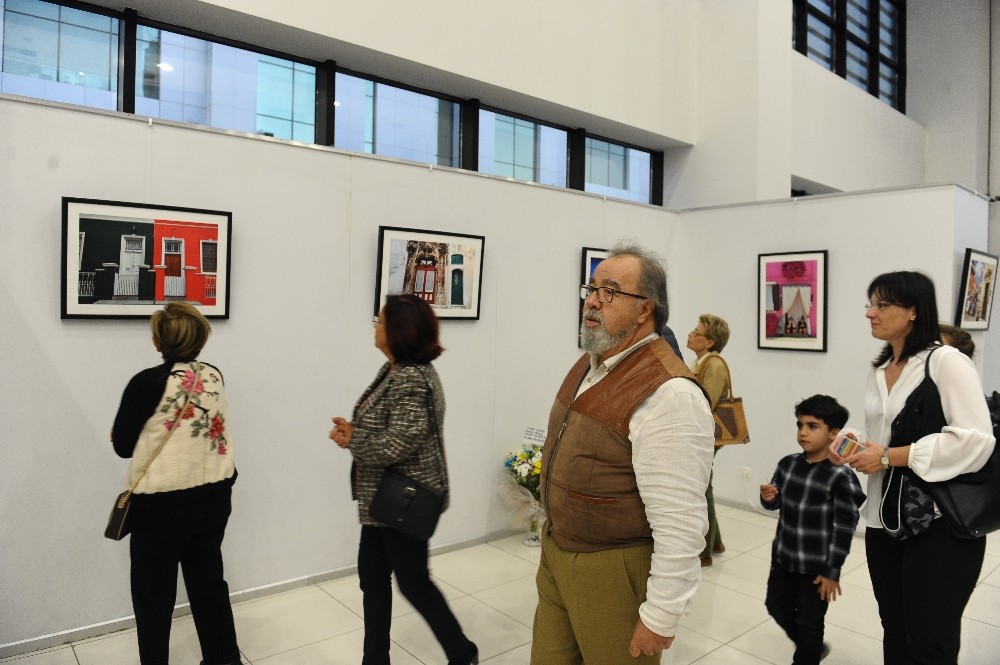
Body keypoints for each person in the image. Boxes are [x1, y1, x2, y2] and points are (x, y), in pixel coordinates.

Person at [532, 243, 715, 664]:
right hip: (558, 553)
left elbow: (682, 521)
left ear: (644, 309)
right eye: (592, 288)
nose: (593, 299)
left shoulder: (671, 393)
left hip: (614, 569)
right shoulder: (590, 363)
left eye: (610, 291)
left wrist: (662, 615)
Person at [829, 271, 995, 665]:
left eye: (882, 304)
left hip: (939, 525)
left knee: (929, 640)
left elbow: (975, 439)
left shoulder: (947, 362)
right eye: (870, 303)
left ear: (913, 312)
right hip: (884, 519)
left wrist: (889, 457)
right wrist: (852, 442)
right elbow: (881, 433)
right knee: (896, 628)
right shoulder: (881, 367)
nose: (870, 313)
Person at [329, 294, 478, 665]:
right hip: (382, 499)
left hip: (405, 500)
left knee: (414, 583)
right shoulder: (394, 369)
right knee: (373, 581)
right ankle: (375, 658)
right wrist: (355, 430)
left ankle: (462, 653)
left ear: (398, 331)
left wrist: (354, 438)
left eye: (380, 321)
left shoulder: (412, 378)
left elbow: (399, 443)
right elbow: (390, 428)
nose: (376, 327)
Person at [110, 302, 240, 665]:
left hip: (161, 507)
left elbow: (123, 446)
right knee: (209, 586)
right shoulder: (213, 375)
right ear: (201, 336)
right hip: (213, 498)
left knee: (154, 599)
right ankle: (225, 660)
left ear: (158, 341)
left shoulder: (146, 382)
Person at [760, 395, 865, 665]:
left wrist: (832, 570)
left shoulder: (841, 476)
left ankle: (807, 653)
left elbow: (844, 527)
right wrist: (769, 498)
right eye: (800, 425)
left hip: (817, 568)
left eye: (813, 426)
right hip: (784, 557)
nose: (803, 432)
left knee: (810, 623)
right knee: (775, 606)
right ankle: (812, 648)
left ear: (833, 433)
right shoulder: (787, 464)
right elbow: (777, 503)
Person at [686, 313, 732, 566]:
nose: (690, 335)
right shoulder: (701, 361)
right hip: (701, 432)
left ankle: (705, 551)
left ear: (710, 342)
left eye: (697, 333)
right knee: (705, 484)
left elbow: (707, 401)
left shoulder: (713, 364)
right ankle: (716, 542)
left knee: (703, 487)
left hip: (706, 433)